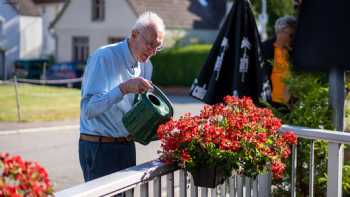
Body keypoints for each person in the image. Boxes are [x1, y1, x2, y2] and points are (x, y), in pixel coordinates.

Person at [79, 11, 165, 183]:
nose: (153, 51)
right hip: (99, 146)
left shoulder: (146, 66)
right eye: (150, 44)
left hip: (126, 145)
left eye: (158, 47)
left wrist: (158, 125)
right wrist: (124, 88)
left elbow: (137, 112)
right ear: (134, 35)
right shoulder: (104, 57)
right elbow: (88, 110)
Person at [262, 16, 297, 109]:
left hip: (292, 106)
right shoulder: (264, 49)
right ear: (281, 32)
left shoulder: (296, 51)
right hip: (269, 105)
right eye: (291, 35)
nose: (293, 39)